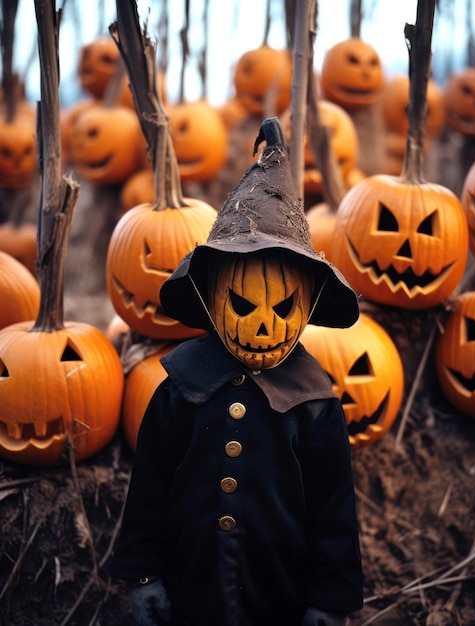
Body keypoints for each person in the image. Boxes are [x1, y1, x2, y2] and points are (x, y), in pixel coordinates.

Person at [107, 118, 363, 626]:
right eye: (244, 304)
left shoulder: (314, 404)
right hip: (190, 588)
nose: (265, 326)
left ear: (309, 302)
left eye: (284, 306)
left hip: (280, 595)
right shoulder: (180, 389)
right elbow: (149, 489)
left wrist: (329, 599)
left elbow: (334, 512)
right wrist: (143, 575)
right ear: (212, 295)